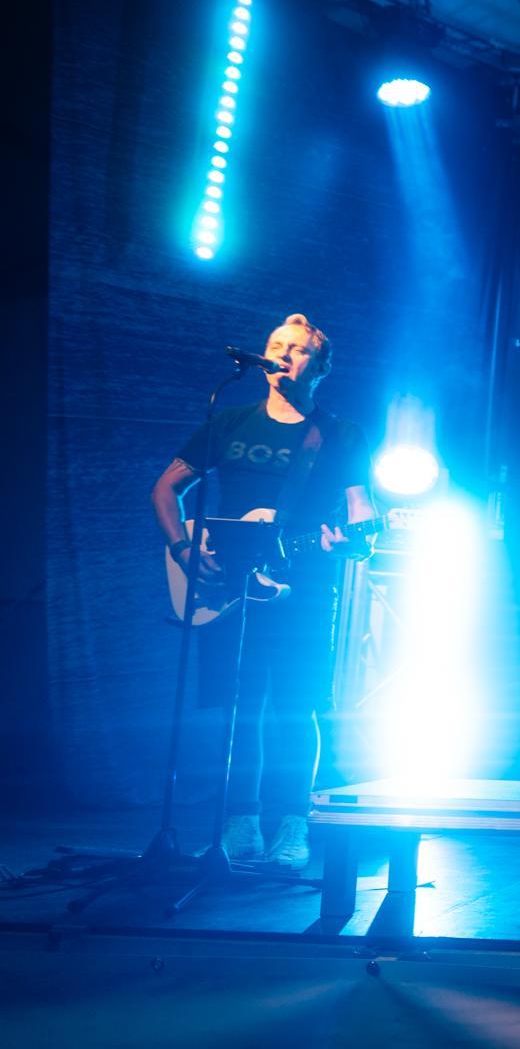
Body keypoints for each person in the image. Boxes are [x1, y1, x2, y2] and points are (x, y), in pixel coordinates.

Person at [151, 314, 374, 871]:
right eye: (276, 346)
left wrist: (353, 541)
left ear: (318, 367)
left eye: (297, 350)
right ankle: (240, 825)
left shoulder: (339, 434)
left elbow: (362, 520)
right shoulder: (227, 421)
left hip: (302, 588)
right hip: (229, 587)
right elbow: (165, 489)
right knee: (237, 708)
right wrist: (183, 550)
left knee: (297, 709)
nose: (282, 355)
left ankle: (295, 825)